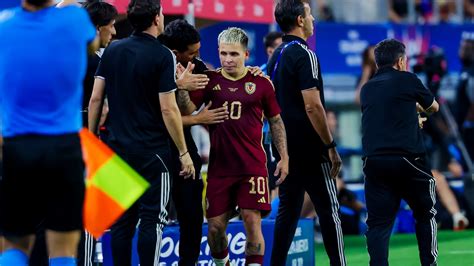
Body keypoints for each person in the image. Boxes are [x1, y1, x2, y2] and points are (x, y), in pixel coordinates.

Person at [88, 0, 194, 265]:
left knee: (122, 222)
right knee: (152, 220)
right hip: (152, 152)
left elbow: (95, 99)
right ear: (157, 18)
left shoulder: (112, 50)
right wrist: (183, 152)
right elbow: (169, 110)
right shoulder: (163, 55)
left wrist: (92, 142)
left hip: (115, 149)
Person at [178, 27, 289, 266]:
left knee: (252, 220)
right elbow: (186, 110)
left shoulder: (262, 83)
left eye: (234, 54)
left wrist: (284, 157)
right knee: (215, 229)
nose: (228, 59)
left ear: (246, 54)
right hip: (220, 168)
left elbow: (276, 121)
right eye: (224, 53)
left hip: (252, 166)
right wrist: (183, 87)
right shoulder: (210, 81)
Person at [0, 0, 98, 265]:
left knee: (13, 243)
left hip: (17, 147)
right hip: (64, 149)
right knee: (64, 249)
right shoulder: (75, 21)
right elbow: (93, 44)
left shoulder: (4, 26)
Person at [267, 1, 346, 265]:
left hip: (284, 147)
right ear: (300, 20)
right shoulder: (305, 54)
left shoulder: (275, 54)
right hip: (310, 147)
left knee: (288, 211)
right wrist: (330, 144)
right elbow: (313, 106)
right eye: (310, 14)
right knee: (329, 209)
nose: (313, 19)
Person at [360, 38, 439, 266]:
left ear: (377, 64)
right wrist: (417, 113)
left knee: (378, 224)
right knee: (426, 213)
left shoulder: (367, 89)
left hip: (374, 162)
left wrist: (408, 114)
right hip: (408, 160)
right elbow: (433, 107)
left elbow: (386, 112)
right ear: (401, 61)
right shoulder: (408, 80)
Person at [159, 19, 227, 266]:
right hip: (154, 149)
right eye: (192, 52)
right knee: (151, 216)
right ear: (175, 53)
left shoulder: (196, 66)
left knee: (193, 215)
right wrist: (198, 117)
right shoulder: (154, 60)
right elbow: (161, 116)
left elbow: (188, 109)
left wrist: (184, 90)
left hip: (185, 149)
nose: (197, 57)